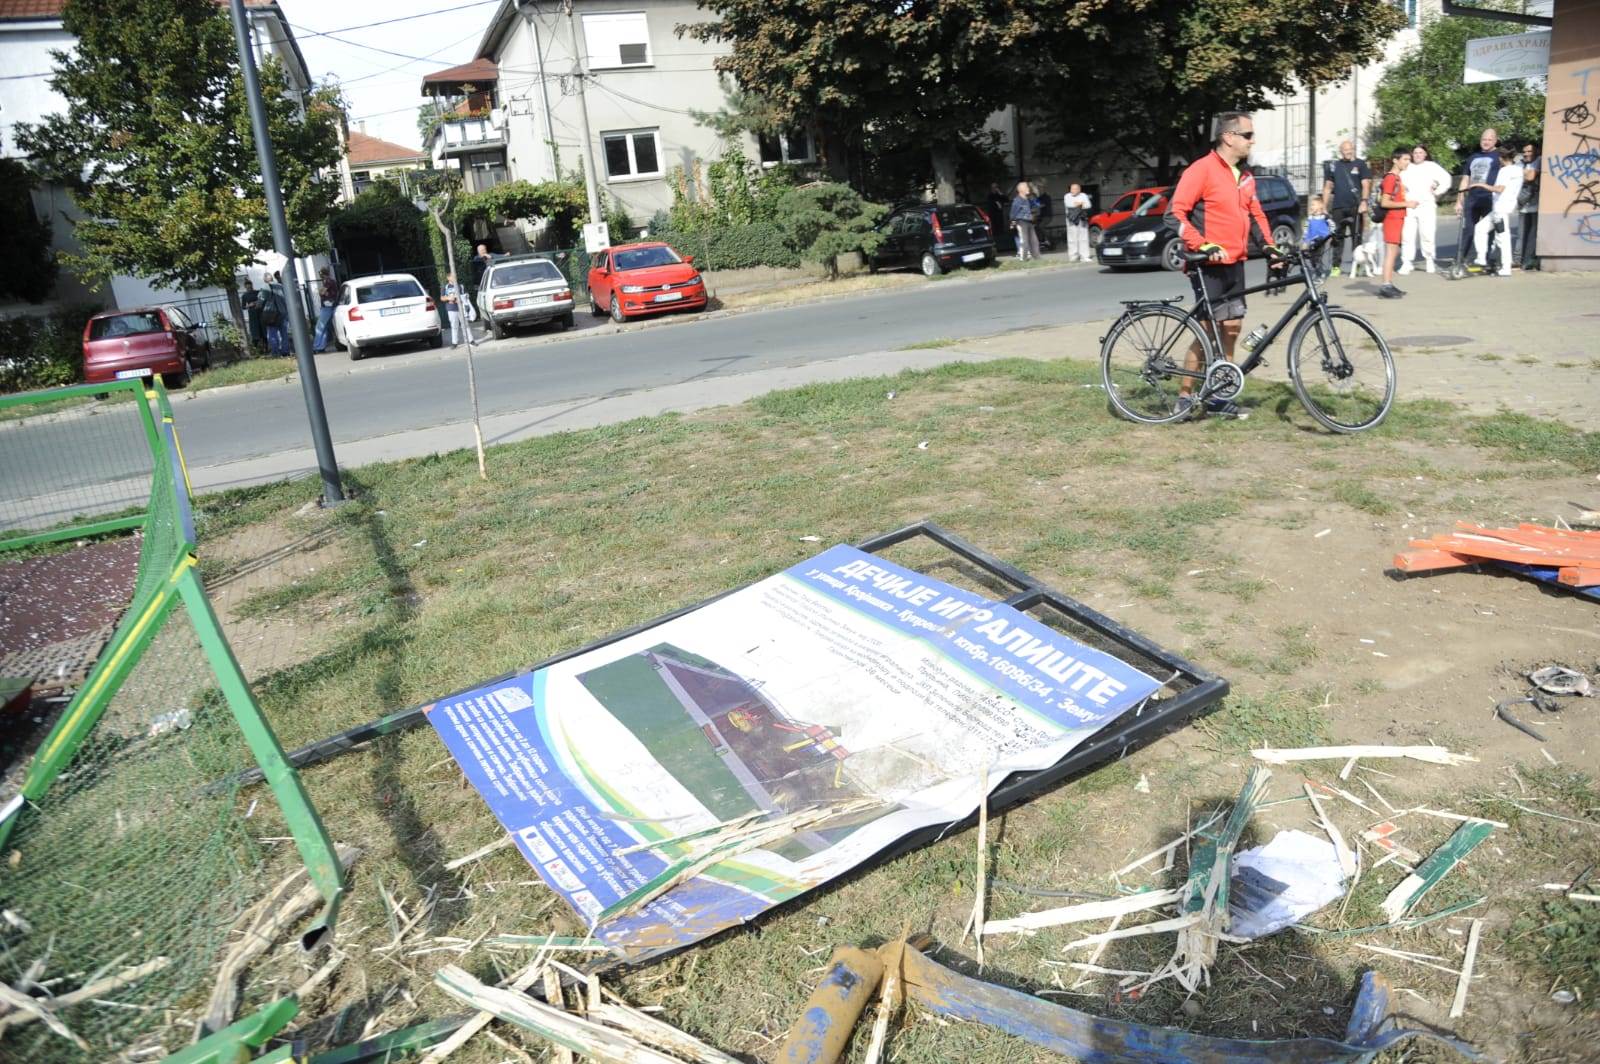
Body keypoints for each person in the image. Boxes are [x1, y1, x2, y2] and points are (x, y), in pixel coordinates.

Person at [1168, 111, 1281, 419]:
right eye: (1248, 135)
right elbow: (1173, 214)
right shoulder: (1201, 170)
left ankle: (1219, 394)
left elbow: (1256, 215)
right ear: (1228, 137)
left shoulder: (1245, 175)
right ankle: (1184, 396)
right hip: (1207, 263)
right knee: (1208, 331)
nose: (1252, 141)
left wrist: (1270, 247)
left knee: (1231, 328)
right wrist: (1202, 244)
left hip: (1235, 261)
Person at [1320, 140, 1372, 276]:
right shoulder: (1334, 166)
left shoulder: (1361, 164)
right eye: (1345, 149)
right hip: (1338, 207)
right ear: (1341, 151)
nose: (1348, 151)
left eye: (1350, 149)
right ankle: (1336, 266)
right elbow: (1328, 187)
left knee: (1356, 237)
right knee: (1337, 237)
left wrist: (1364, 202)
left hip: (1356, 207)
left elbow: (1366, 184)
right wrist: (1324, 206)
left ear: (1353, 149)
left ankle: (1358, 265)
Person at [1398, 144, 1452, 274]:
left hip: (1426, 205)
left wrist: (1437, 190)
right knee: (1407, 235)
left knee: (1427, 234)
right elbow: (1398, 181)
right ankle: (1407, 262)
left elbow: (1446, 179)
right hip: (1409, 205)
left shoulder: (1431, 166)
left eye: (1420, 152)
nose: (1417, 155)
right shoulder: (1407, 167)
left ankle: (1429, 260)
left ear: (1425, 154)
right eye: (1415, 153)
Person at [1454, 127, 1501, 271]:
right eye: (1484, 139)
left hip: (1490, 198)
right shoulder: (1473, 157)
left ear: (1495, 141)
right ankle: (1460, 260)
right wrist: (1459, 201)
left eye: (1489, 139)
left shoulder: (1499, 157)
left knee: (1488, 231)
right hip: (1472, 198)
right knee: (1468, 229)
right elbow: (1465, 179)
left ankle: (1487, 260)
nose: (1486, 142)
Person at [1475, 146, 1522, 276]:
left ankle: (1505, 267)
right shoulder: (1518, 170)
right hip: (1504, 207)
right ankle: (1482, 258)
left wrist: (1482, 185)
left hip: (1500, 209)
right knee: (1481, 228)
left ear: (1501, 158)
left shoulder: (1505, 171)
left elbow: (1499, 189)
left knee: (1502, 237)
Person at [1378, 149, 1418, 299]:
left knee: (1394, 252)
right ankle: (1386, 285)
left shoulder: (1397, 178)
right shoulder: (1391, 178)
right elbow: (1385, 202)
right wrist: (1407, 203)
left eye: (1409, 160)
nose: (1408, 162)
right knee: (1391, 252)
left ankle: (1388, 283)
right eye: (1405, 159)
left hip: (1397, 218)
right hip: (1392, 219)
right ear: (1395, 160)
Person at [1517, 141, 1541, 270]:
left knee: (1533, 234)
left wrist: (1522, 174)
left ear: (1536, 151)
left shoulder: (1539, 160)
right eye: (1524, 152)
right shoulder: (1520, 163)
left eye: (1529, 151)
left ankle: (1528, 261)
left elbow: (1531, 177)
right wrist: (1525, 173)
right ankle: (1517, 260)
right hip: (1523, 204)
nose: (1526, 154)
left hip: (1536, 203)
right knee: (1521, 235)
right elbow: (1514, 176)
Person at [1302, 196, 1332, 280]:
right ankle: (1316, 270)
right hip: (1312, 241)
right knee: (1312, 257)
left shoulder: (1324, 217)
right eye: (1311, 205)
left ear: (1320, 206)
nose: (1311, 207)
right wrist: (1305, 241)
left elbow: (1331, 225)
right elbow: (1306, 229)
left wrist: (1331, 235)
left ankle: (1321, 272)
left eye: (1313, 205)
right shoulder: (1309, 218)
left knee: (1319, 256)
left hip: (1322, 240)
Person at [1062, 183, 1092, 262]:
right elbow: (1070, 205)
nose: (1073, 190)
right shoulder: (1067, 196)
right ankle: (1073, 256)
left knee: (1083, 238)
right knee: (1072, 239)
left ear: (1079, 189)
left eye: (1075, 189)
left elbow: (1088, 205)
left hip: (1082, 219)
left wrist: (1079, 204)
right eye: (1072, 189)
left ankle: (1084, 256)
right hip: (1072, 220)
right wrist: (1082, 203)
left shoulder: (1083, 195)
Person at [1010, 181, 1040, 261]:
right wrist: (1013, 223)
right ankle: (1023, 259)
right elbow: (1013, 213)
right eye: (1026, 187)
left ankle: (1037, 258)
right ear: (1021, 190)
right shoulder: (1017, 201)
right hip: (1021, 222)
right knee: (1024, 241)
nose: (1028, 189)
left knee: (1034, 241)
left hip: (1029, 222)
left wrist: (1033, 215)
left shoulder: (1027, 199)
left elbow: (1033, 208)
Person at [312, 267, 338, 353]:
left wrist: (322, 292)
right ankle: (321, 347)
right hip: (329, 305)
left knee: (319, 327)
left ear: (322, 274)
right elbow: (323, 292)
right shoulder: (330, 281)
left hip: (327, 306)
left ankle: (317, 347)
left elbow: (322, 292)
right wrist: (323, 292)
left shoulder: (328, 281)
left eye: (320, 273)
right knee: (325, 327)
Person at [264, 271, 289, 356]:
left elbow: (261, 301)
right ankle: (285, 351)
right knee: (284, 333)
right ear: (272, 278)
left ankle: (275, 352)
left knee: (272, 333)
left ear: (265, 280)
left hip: (271, 314)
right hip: (283, 312)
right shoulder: (281, 286)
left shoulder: (265, 287)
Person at [442, 272, 469, 347]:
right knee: (454, 325)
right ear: (448, 278)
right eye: (453, 276)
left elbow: (466, 295)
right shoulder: (445, 287)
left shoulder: (460, 286)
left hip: (461, 308)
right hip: (451, 308)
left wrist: (461, 298)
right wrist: (448, 298)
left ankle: (470, 340)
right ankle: (455, 342)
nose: (455, 277)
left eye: (455, 276)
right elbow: (442, 298)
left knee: (465, 324)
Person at [239, 279, 264, 354]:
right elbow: (243, 307)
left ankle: (265, 346)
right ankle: (256, 348)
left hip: (260, 312)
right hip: (252, 314)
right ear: (245, 287)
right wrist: (249, 305)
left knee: (262, 329)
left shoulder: (257, 292)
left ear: (252, 285)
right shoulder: (244, 295)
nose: (249, 288)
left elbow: (262, 300)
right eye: (247, 287)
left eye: (250, 287)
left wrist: (256, 302)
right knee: (254, 331)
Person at [1033, 180, 1054, 251]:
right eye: (1038, 188)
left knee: (1041, 226)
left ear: (1043, 189)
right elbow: (1036, 203)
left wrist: (1034, 206)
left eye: (1040, 188)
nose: (1039, 189)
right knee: (1035, 227)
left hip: (1047, 216)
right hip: (1042, 216)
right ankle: (1042, 241)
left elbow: (1041, 205)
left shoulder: (1046, 197)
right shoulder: (1039, 197)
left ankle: (1049, 240)